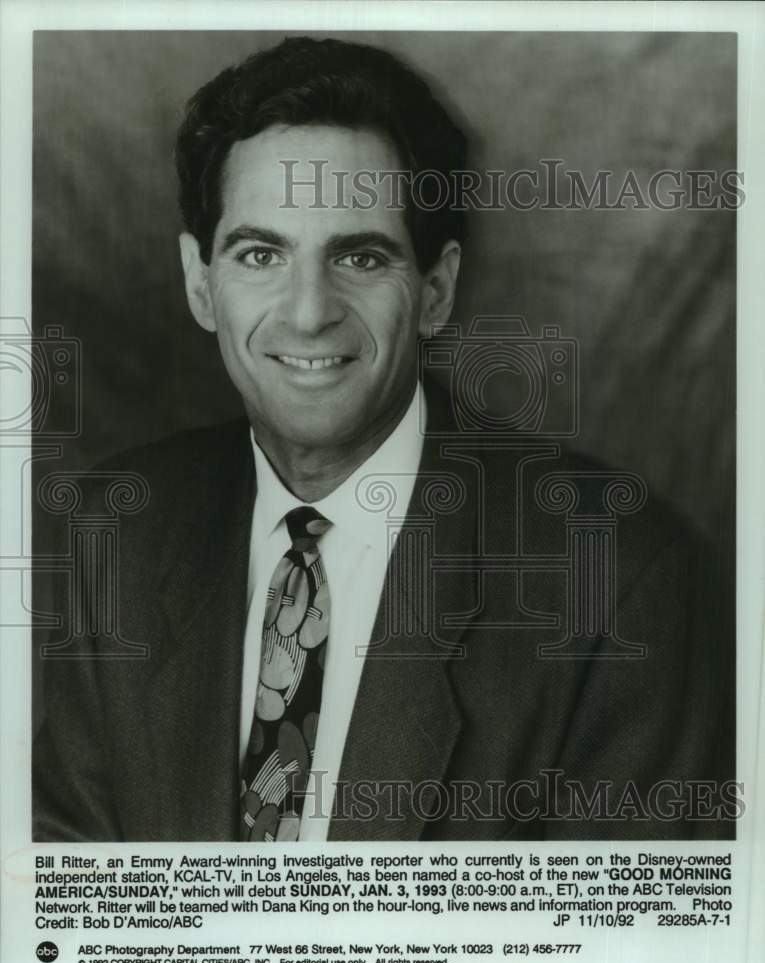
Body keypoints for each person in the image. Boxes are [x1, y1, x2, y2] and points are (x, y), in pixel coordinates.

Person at [33, 35, 735, 842]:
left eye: (360, 257)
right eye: (260, 253)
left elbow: (619, 956)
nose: (307, 312)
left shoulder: (620, 580)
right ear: (201, 281)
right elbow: (70, 920)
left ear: (435, 292)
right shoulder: (118, 532)